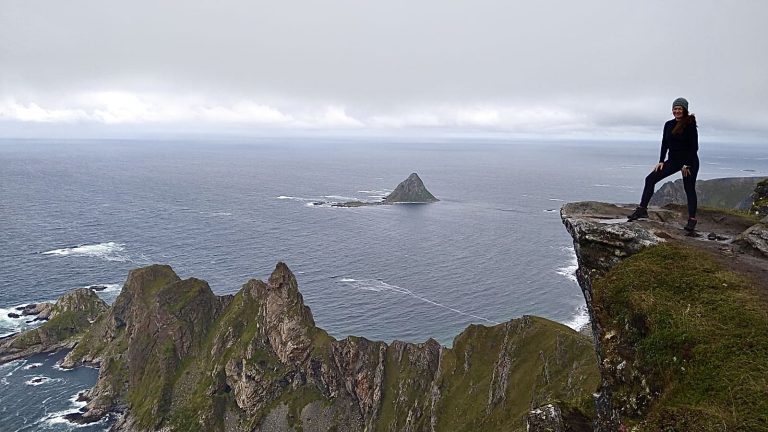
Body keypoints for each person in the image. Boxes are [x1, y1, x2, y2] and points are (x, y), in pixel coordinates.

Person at [627, 97, 699, 231]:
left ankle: (692, 220)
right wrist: (661, 161)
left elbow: (694, 147)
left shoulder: (689, 124)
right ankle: (642, 209)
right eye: (675, 108)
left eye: (680, 108)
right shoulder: (668, 124)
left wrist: (687, 164)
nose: (677, 111)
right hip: (673, 160)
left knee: (689, 189)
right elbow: (664, 144)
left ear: (685, 110)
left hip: (689, 162)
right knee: (650, 179)